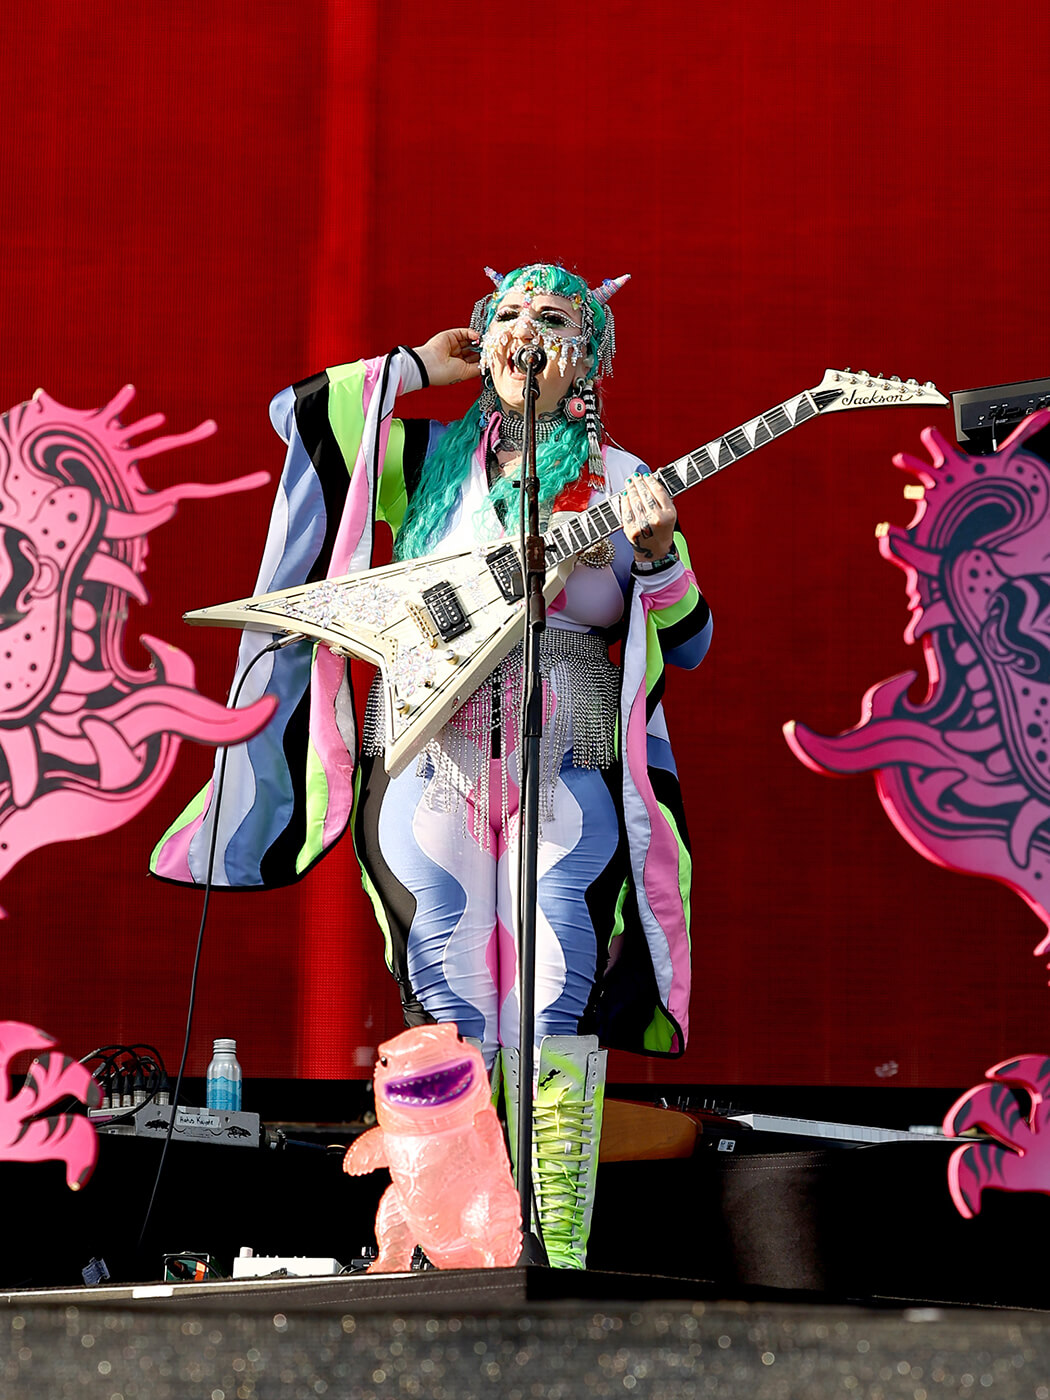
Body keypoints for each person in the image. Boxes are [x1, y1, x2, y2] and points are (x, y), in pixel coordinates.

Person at [151, 263, 712, 1268]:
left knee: (552, 986)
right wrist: (412, 369)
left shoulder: (627, 478)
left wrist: (662, 553)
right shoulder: (418, 459)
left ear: (591, 355)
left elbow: (693, 640)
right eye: (508, 313)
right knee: (449, 988)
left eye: (553, 317)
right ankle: (450, 1248)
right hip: (428, 744)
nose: (525, 329)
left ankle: (552, 1249)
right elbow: (298, 421)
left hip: (563, 747)